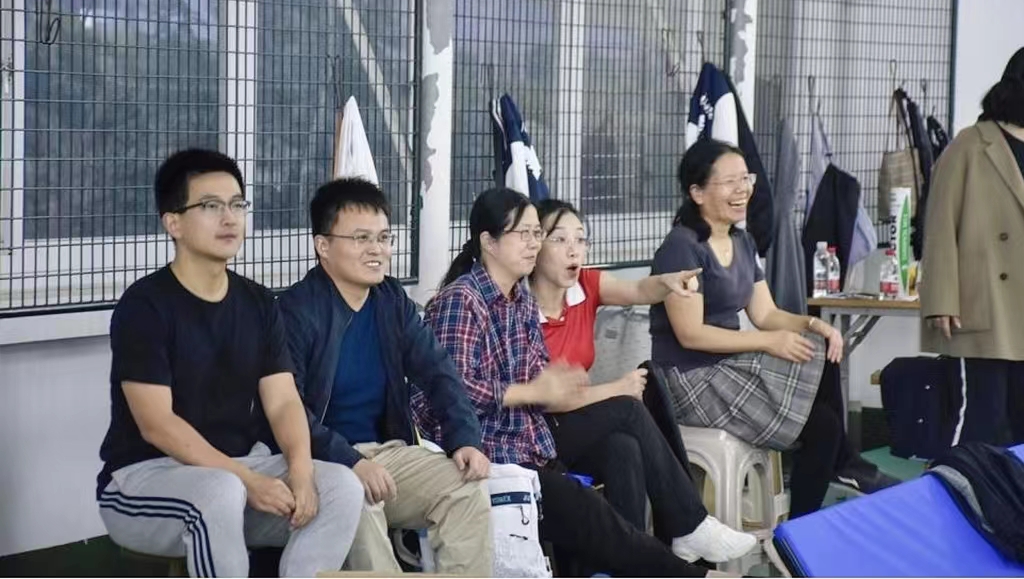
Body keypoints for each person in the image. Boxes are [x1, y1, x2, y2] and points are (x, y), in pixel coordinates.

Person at [414, 187, 726, 578]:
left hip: (528, 439)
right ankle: (692, 549)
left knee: (622, 448)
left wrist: (552, 384)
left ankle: (644, 558)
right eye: (524, 234)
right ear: (489, 243)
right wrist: (536, 391)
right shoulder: (462, 300)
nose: (534, 243)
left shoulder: (520, 298)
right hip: (487, 452)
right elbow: (452, 390)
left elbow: (537, 377)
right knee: (620, 427)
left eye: (537, 234)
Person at [96, 149, 364, 578]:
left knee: (341, 487)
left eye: (237, 205)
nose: (229, 218)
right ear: (173, 223)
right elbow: (156, 424)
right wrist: (246, 479)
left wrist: (300, 470)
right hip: (143, 480)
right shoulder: (145, 306)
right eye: (210, 206)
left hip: (240, 469)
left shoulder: (258, 302)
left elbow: (283, 401)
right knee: (220, 491)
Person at [649, 139, 897, 519]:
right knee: (824, 427)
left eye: (745, 179)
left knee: (819, 354)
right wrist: (768, 342)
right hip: (689, 379)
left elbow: (765, 314)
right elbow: (691, 334)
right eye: (729, 182)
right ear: (697, 193)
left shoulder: (742, 241)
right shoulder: (681, 247)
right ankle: (811, 511)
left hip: (728, 366)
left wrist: (815, 324)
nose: (743, 190)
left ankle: (837, 469)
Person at [278, 178, 492, 576]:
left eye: (383, 237)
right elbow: (287, 411)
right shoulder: (296, 311)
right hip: (323, 462)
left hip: (388, 454)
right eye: (361, 238)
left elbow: (439, 372)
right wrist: (351, 461)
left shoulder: (391, 301)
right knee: (353, 495)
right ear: (323, 246)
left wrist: (464, 437)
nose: (377, 249)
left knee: (465, 485)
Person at [527, 198, 756, 560]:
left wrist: (667, 282)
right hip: (534, 435)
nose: (574, 250)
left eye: (581, 239)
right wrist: (617, 389)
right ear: (535, 245)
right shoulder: (519, 308)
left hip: (574, 426)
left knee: (623, 448)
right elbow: (548, 399)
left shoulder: (585, 286)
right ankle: (689, 525)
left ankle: (622, 566)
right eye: (559, 239)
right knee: (628, 408)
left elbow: (637, 291)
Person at [920, 47, 1024, 445]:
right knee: (982, 421)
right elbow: (940, 224)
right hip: (984, 306)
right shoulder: (971, 144)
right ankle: (964, 486)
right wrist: (941, 299)